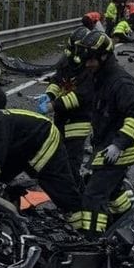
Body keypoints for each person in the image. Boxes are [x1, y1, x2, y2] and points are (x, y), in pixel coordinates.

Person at [74, 30, 134, 236]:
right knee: (113, 191)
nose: (87, 64)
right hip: (105, 143)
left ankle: (93, 239)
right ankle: (127, 221)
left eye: (91, 60)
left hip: (119, 149)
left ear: (104, 56)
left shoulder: (121, 82)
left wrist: (118, 144)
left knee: (93, 196)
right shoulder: (99, 75)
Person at [37, 27, 94, 178]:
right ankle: (58, 180)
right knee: (56, 152)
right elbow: (57, 80)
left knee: (72, 159)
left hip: (79, 121)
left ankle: (72, 183)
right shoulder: (67, 61)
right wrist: (49, 94)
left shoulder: (91, 69)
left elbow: (80, 96)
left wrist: (53, 105)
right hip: (62, 117)